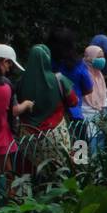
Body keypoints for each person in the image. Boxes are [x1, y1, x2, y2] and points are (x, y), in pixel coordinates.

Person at [16, 43, 78, 172]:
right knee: (59, 173)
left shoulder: (20, 82)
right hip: (55, 135)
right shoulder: (59, 79)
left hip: (28, 136)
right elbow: (73, 101)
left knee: (31, 174)